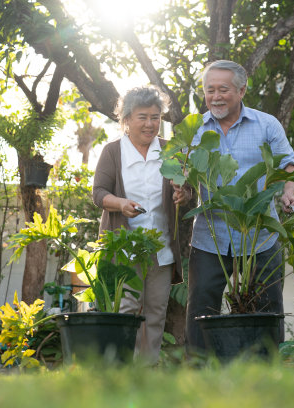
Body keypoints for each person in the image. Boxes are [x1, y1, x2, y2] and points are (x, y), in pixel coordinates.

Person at [185, 60, 294, 353]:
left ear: (242, 90)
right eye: (210, 90)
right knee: (201, 304)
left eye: (223, 89)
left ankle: (268, 366)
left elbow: (289, 165)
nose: (216, 97)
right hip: (210, 236)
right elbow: (183, 170)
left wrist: (288, 192)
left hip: (260, 233)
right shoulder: (195, 128)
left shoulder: (266, 124)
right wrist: (179, 186)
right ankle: (198, 368)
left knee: (268, 304)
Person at [93, 85, 190, 363]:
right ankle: (121, 371)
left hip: (160, 251)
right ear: (126, 119)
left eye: (155, 117)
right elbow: (98, 193)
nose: (150, 124)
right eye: (142, 117)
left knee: (156, 312)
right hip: (124, 247)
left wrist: (183, 193)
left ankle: (147, 372)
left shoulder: (171, 151)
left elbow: (188, 193)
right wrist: (121, 203)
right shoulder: (113, 152)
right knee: (125, 310)